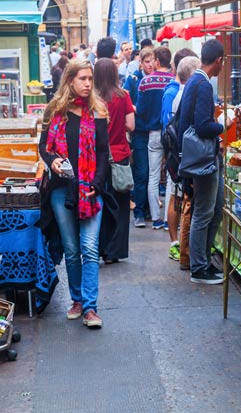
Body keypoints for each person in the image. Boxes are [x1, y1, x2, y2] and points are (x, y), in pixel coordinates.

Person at [38, 59, 112, 329]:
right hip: (62, 190)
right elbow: (43, 148)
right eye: (82, 78)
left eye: (90, 79)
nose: (88, 84)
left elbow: (104, 152)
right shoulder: (55, 110)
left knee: (89, 248)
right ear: (70, 81)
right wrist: (52, 161)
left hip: (91, 189)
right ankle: (77, 300)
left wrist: (98, 182)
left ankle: (91, 308)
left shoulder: (98, 111)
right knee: (71, 249)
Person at [178, 39, 233, 284]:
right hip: (204, 157)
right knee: (204, 211)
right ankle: (199, 267)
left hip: (200, 156)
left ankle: (204, 261)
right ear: (219, 61)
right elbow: (202, 126)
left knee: (214, 207)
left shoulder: (195, 81)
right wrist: (223, 125)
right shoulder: (202, 85)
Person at [94, 58, 135, 264]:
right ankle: (114, 251)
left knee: (100, 203)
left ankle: (99, 247)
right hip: (119, 155)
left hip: (95, 159)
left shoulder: (92, 99)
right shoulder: (123, 96)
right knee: (120, 203)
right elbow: (131, 125)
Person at [161, 49, 199, 261]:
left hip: (178, 156)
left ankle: (181, 244)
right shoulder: (175, 94)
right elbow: (170, 127)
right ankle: (178, 244)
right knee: (177, 199)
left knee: (179, 199)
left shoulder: (178, 93)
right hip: (178, 157)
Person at [137, 46, 173, 230]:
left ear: (157, 61)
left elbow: (141, 111)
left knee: (152, 175)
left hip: (153, 133)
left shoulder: (145, 82)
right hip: (171, 133)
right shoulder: (174, 81)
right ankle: (168, 219)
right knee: (169, 176)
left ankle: (157, 219)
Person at [127, 47, 155, 227]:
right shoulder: (134, 79)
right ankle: (139, 212)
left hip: (155, 131)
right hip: (139, 131)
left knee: (152, 173)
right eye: (147, 61)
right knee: (142, 172)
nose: (151, 65)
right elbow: (126, 99)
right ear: (141, 63)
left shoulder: (157, 78)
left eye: (153, 61)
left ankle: (148, 210)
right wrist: (136, 109)